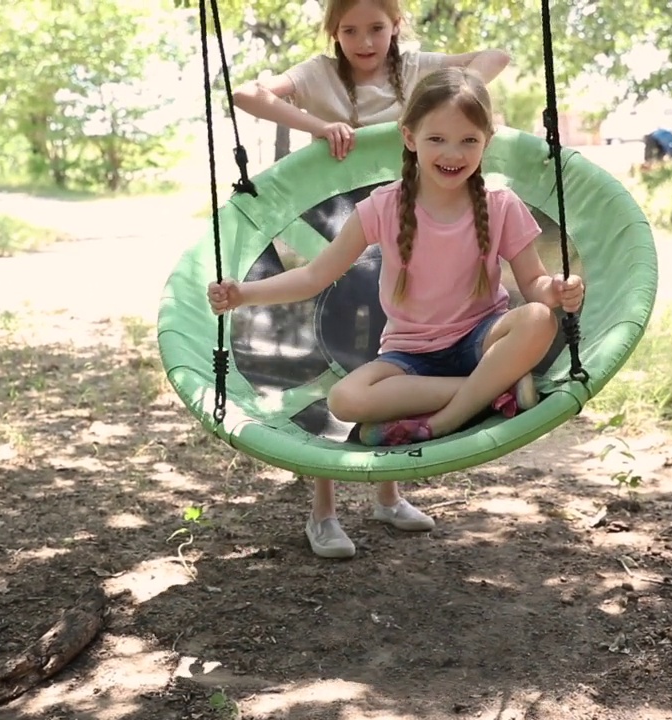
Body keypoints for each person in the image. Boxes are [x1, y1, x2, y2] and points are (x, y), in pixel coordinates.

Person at [209, 67, 586, 559]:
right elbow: (313, 276)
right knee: (346, 399)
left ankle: (448, 417)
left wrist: (557, 290)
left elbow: (534, 284)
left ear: (486, 141)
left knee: (537, 318)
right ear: (409, 138)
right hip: (410, 356)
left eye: (468, 140)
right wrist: (244, 294)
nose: (452, 154)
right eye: (437, 139)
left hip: (481, 342)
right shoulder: (383, 206)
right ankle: (495, 393)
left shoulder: (500, 204)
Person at [231, 0, 512, 161]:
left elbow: (496, 56)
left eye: (376, 28)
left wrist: (455, 96)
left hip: (407, 194)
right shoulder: (318, 73)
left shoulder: (415, 67)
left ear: (395, 26)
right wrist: (322, 127)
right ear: (334, 34)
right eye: (350, 31)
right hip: (336, 202)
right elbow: (245, 95)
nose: (364, 43)